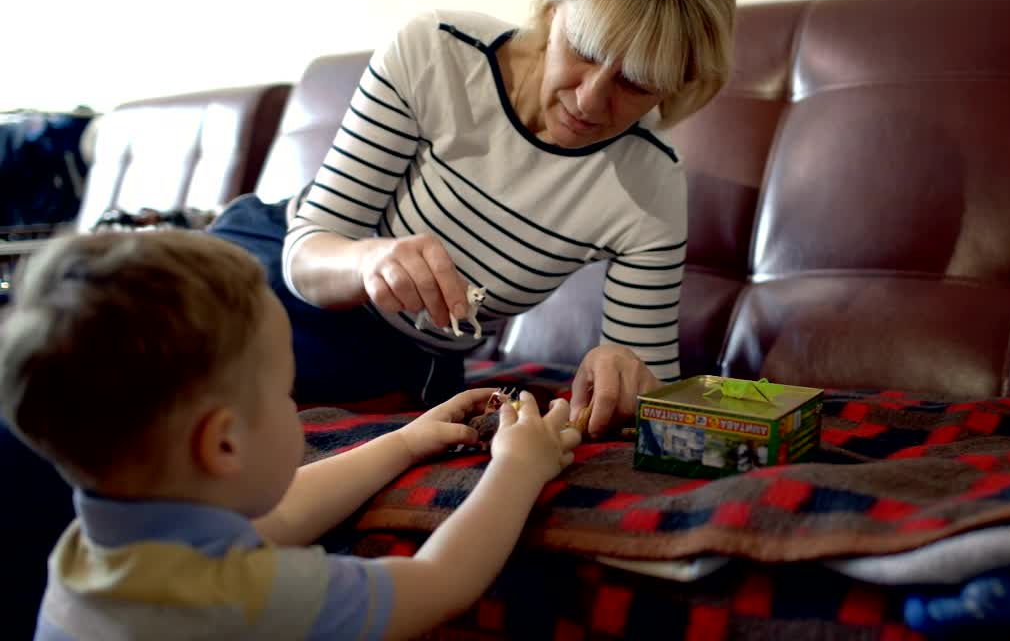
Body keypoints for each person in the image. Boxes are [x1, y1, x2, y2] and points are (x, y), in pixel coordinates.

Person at [208, 0, 737, 437]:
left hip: (403, 360)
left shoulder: (652, 185)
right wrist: (369, 259)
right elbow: (304, 254)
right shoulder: (437, 53)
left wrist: (626, 374)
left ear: (676, 86)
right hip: (276, 268)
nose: (590, 99)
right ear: (552, 13)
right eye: (585, 49)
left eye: (635, 81)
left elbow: (652, 391)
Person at [0, 230, 582, 640]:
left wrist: (407, 440)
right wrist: (518, 467)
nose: (295, 407)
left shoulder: (96, 545)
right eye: (285, 393)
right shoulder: (237, 600)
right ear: (223, 445)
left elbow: (274, 519)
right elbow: (440, 581)